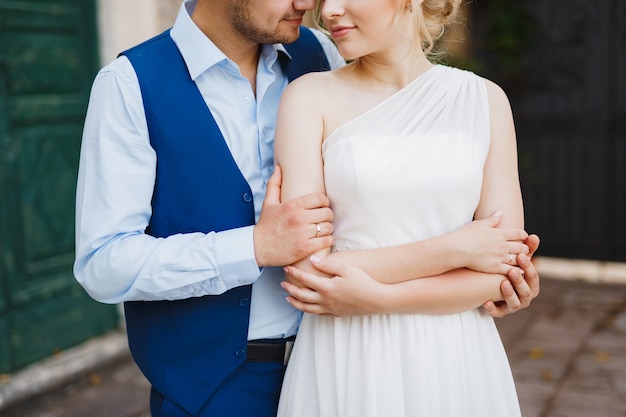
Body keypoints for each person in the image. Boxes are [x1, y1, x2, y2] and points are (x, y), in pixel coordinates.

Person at [74, 1, 538, 417]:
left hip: (350, 355)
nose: (314, 6)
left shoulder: (323, 50)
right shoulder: (132, 84)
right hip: (218, 385)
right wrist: (255, 246)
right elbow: (103, 263)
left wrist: (494, 280)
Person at [274, 0, 538, 415]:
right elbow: (310, 274)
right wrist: (457, 250)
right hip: (347, 354)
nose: (328, 12)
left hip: (458, 355)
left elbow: (504, 271)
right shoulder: (309, 98)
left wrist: (378, 298)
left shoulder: (485, 100)